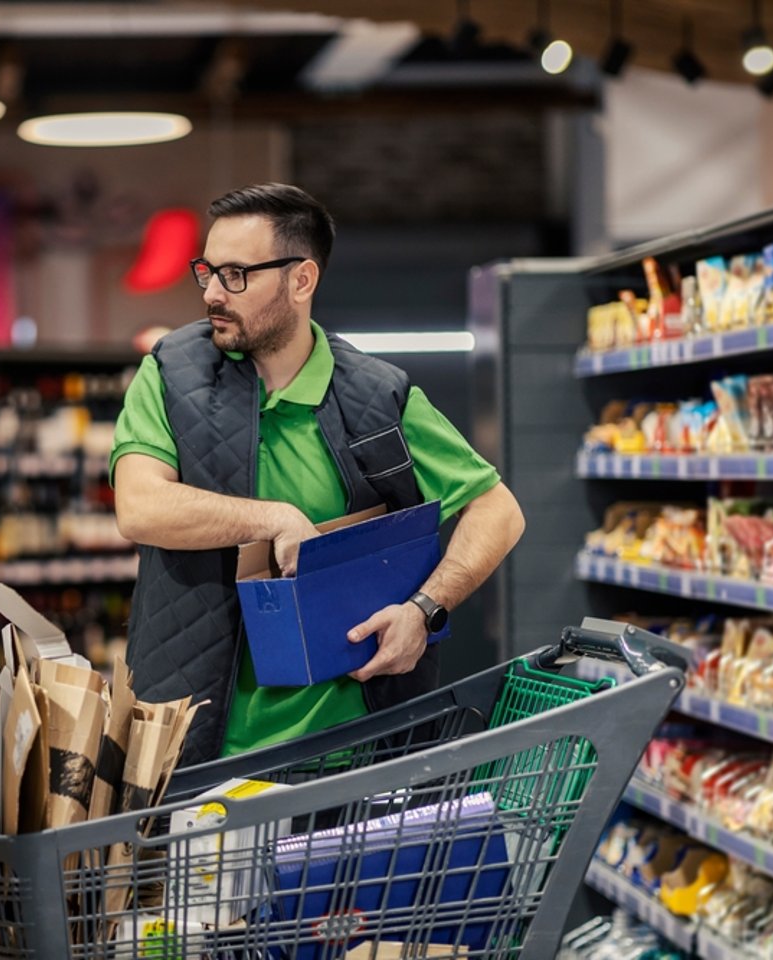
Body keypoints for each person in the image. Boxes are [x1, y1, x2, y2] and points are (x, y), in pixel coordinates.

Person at [111, 182, 526, 767]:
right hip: (199, 754)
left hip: (352, 756)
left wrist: (425, 609)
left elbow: (498, 510)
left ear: (301, 280)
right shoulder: (170, 376)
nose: (210, 293)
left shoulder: (378, 398)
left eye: (235, 275)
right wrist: (273, 518)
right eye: (205, 271)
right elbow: (140, 507)